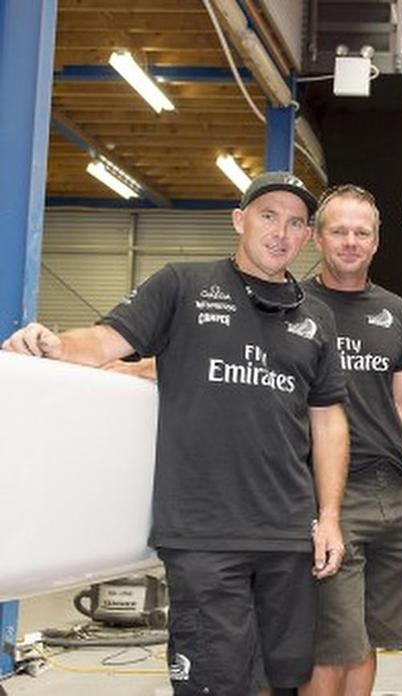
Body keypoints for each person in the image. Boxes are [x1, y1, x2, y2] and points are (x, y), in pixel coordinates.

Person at [2, 171, 350, 696]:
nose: (281, 232)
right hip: (204, 535)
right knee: (213, 683)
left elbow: (327, 422)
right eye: (268, 215)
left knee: (283, 680)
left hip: (288, 534)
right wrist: (51, 343)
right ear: (240, 220)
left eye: (296, 222)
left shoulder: (316, 319)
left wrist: (329, 518)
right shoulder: (183, 285)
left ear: (307, 237)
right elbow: (103, 342)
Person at [299, 184, 402, 696]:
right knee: (334, 642)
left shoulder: (395, 309)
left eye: (362, 232)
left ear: (376, 242)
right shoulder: (295, 302)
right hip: (332, 494)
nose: (350, 242)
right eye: (339, 231)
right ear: (317, 238)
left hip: (396, 492)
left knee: (370, 638)